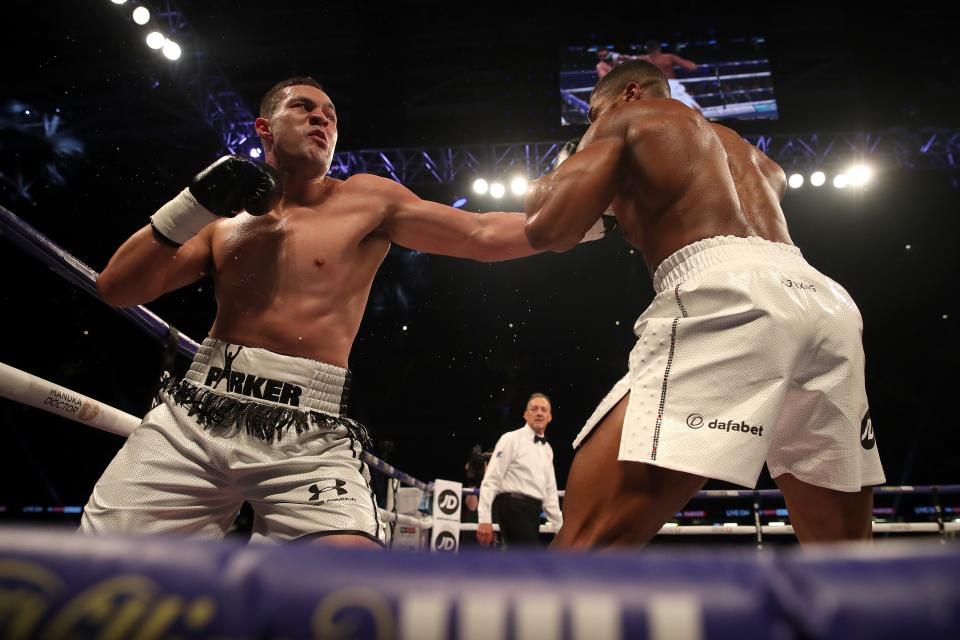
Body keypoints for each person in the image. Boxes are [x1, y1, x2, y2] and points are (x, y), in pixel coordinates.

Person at [83, 77, 540, 548]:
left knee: (347, 578)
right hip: (199, 412)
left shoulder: (367, 200)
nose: (321, 118)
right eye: (304, 108)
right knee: (100, 571)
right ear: (264, 126)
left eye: (330, 114)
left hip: (308, 430)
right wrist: (192, 204)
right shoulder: (220, 217)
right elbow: (117, 287)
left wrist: (593, 219)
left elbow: (480, 234)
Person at [523, 60, 885, 549]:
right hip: (824, 302)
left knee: (588, 541)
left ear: (629, 93)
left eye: (593, 113)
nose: (593, 124)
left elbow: (548, 226)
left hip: (729, 291)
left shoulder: (629, 118)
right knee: (846, 558)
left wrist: (577, 165)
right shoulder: (750, 154)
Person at [477, 393, 563, 547]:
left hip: (533, 511)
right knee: (530, 560)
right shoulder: (511, 439)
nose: (539, 413)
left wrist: (561, 528)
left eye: (543, 410)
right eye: (534, 409)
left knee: (519, 563)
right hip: (512, 505)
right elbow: (491, 479)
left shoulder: (548, 450)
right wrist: (484, 519)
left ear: (549, 417)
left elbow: (549, 493)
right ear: (526, 415)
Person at [638, 40, 702, 112]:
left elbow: (628, 58)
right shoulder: (669, 58)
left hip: (655, 86)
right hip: (671, 85)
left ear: (647, 49)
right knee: (695, 110)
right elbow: (692, 67)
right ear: (659, 48)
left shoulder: (644, 59)